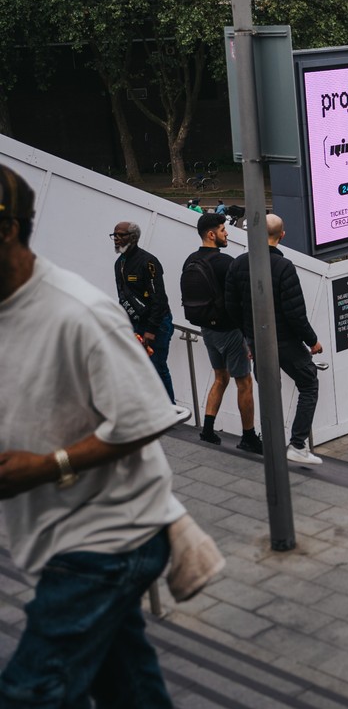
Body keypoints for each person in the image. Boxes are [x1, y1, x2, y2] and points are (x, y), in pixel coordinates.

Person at [0, 166, 188, 706]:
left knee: (31, 691)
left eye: (123, 236)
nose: (119, 242)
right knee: (127, 686)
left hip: (107, 536)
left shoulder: (79, 312)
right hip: (55, 533)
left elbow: (142, 417)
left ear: (7, 229)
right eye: (117, 237)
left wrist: (43, 466)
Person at [224, 214, 323, 466]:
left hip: (257, 342)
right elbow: (295, 313)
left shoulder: (237, 265)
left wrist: (249, 337)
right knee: (309, 384)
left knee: (269, 391)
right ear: (282, 235)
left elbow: (231, 307)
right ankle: (297, 444)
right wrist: (312, 342)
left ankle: (272, 443)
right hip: (287, 342)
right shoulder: (284, 267)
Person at [181, 212, 262, 454]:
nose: (226, 233)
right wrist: (249, 336)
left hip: (207, 330)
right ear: (211, 234)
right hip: (229, 331)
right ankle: (248, 437)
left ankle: (207, 430)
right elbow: (242, 300)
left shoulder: (190, 260)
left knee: (220, 377)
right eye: (222, 229)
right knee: (244, 382)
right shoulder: (225, 262)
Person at [112, 219, 176, 402]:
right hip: (134, 324)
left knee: (157, 366)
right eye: (114, 235)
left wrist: (151, 329)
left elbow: (160, 299)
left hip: (156, 325)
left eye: (121, 235)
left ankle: (170, 410)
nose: (116, 238)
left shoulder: (148, 262)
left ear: (133, 237)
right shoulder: (119, 264)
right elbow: (122, 295)